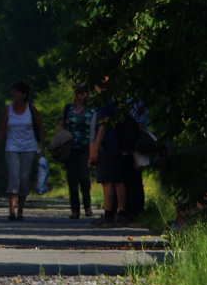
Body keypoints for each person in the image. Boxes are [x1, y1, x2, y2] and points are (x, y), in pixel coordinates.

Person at [88, 81, 143, 227]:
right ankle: (122, 213)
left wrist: (95, 149)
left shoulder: (103, 102)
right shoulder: (116, 100)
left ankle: (108, 214)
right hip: (118, 145)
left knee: (106, 181)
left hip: (107, 145)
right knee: (119, 180)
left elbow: (102, 126)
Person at [0, 82, 44, 221]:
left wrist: (42, 148)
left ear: (24, 95)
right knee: (14, 176)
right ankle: (12, 209)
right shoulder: (8, 109)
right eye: (13, 91)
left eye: (16, 92)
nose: (13, 94)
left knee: (24, 179)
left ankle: (21, 210)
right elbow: (1, 130)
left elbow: (40, 127)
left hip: (29, 148)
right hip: (12, 147)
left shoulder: (31, 108)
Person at [56, 83, 95, 219]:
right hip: (70, 147)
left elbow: (95, 127)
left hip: (86, 146)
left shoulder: (92, 109)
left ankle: (87, 205)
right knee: (72, 179)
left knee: (84, 177)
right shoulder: (68, 109)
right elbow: (61, 126)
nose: (79, 95)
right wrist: (62, 137)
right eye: (77, 92)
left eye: (82, 92)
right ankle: (75, 209)